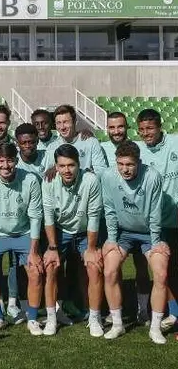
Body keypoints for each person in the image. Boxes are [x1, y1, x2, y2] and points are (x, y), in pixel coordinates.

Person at [100, 141, 169, 344]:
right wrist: (112, 238)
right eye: (120, 164)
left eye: (129, 164)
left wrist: (156, 240)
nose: (124, 169)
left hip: (149, 233)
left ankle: (155, 328)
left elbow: (156, 211)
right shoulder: (109, 176)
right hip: (123, 233)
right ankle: (118, 324)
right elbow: (109, 208)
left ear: (139, 162)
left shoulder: (152, 176)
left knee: (161, 273)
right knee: (109, 270)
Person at [0, 143, 44, 335]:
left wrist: (33, 251)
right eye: (1, 161)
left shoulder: (30, 180)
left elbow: (35, 216)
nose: (5, 166)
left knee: (36, 271)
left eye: (9, 161)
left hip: (23, 233)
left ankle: (32, 318)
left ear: (16, 160)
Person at [42, 145, 104, 337]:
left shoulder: (91, 180)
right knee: (51, 266)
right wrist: (52, 247)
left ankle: (95, 317)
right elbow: (49, 216)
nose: (66, 170)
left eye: (71, 165)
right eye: (62, 166)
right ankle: (52, 317)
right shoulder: (49, 181)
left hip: (85, 233)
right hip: (60, 232)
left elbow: (94, 216)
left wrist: (92, 248)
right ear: (56, 166)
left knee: (94, 267)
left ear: (79, 164)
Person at [136, 109, 178, 330]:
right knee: (165, 270)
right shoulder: (138, 151)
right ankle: (174, 313)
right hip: (158, 223)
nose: (146, 133)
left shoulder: (175, 143)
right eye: (142, 129)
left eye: (150, 128)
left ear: (160, 126)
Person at [43, 105, 108, 174]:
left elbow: (101, 171)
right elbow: (48, 175)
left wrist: (86, 178)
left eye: (65, 122)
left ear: (75, 122)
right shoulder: (52, 147)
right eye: (58, 123)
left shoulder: (91, 142)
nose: (62, 127)